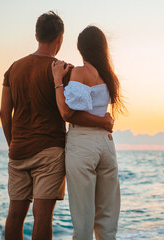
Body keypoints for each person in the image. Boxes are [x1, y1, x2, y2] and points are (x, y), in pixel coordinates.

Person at [0, 12, 114, 240]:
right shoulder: (62, 70)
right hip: (50, 150)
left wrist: (13, 143)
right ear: (60, 39)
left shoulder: (13, 68)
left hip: (18, 151)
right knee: (42, 217)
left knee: (14, 215)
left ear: (36, 35)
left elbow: (4, 113)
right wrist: (103, 121)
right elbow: (71, 113)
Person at [52, 25, 125, 240]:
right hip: (106, 145)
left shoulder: (81, 72)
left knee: (83, 219)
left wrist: (58, 80)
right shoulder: (109, 77)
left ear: (80, 48)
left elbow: (67, 112)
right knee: (107, 218)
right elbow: (101, 112)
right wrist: (103, 122)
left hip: (83, 143)